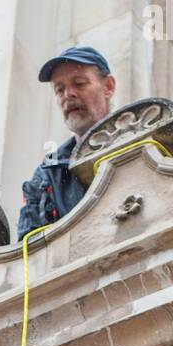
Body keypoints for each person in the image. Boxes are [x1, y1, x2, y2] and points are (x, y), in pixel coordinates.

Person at [18, 46, 116, 241]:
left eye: (79, 83)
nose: (68, 94)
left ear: (109, 86)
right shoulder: (47, 174)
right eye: (59, 89)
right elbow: (27, 250)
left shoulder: (140, 138)